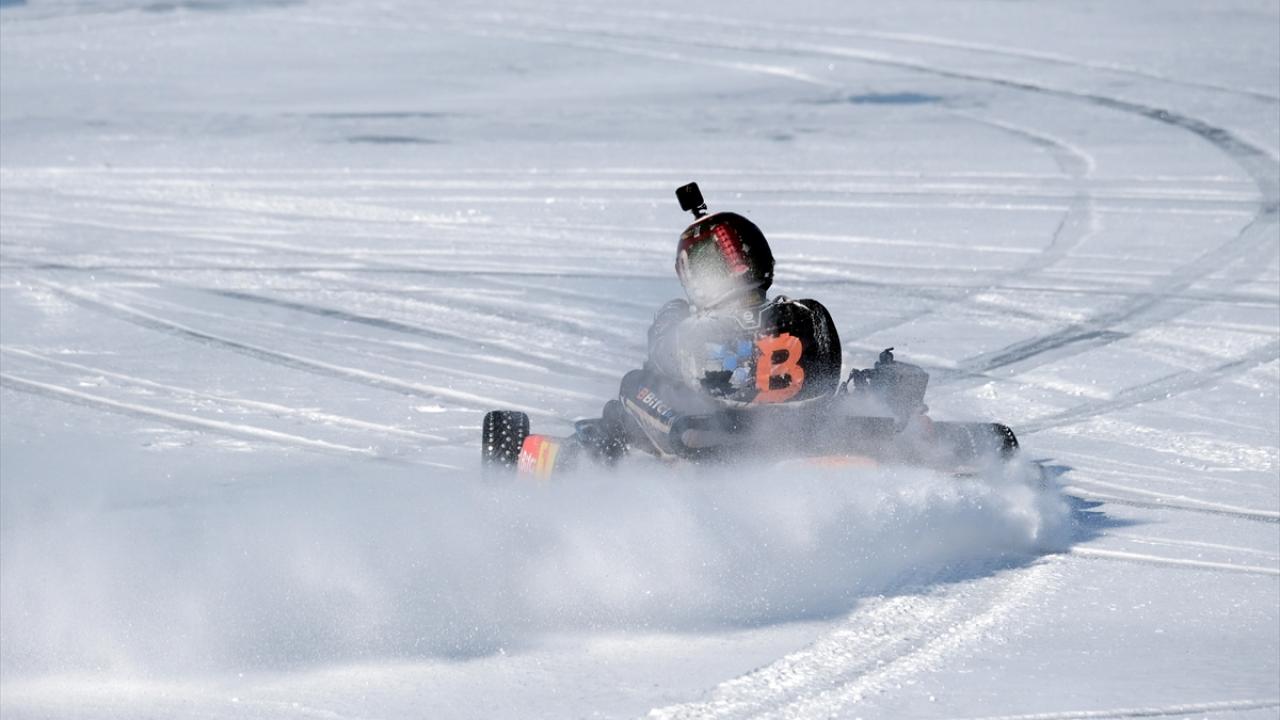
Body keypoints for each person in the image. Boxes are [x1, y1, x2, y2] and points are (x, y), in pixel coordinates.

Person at [575, 183, 930, 463]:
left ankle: (600, 451)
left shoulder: (691, 331)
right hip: (810, 431)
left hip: (711, 439)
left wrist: (671, 317)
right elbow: (827, 375)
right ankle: (919, 437)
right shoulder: (809, 312)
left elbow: (663, 358)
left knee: (635, 384)